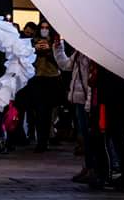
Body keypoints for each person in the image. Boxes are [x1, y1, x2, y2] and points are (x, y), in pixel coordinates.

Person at [53, 34, 93, 182]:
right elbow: (65, 65)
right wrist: (58, 47)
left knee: (89, 136)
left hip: (85, 102)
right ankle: (89, 167)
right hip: (79, 100)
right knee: (85, 136)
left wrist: (89, 103)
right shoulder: (79, 53)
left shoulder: (89, 55)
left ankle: (93, 168)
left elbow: (91, 82)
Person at [28, 20, 62, 152]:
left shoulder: (56, 42)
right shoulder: (33, 42)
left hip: (51, 79)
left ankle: (44, 140)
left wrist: (49, 51)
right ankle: (40, 139)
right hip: (36, 78)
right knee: (38, 112)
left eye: (47, 27)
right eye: (42, 27)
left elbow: (61, 62)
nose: (44, 29)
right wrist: (35, 50)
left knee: (47, 112)